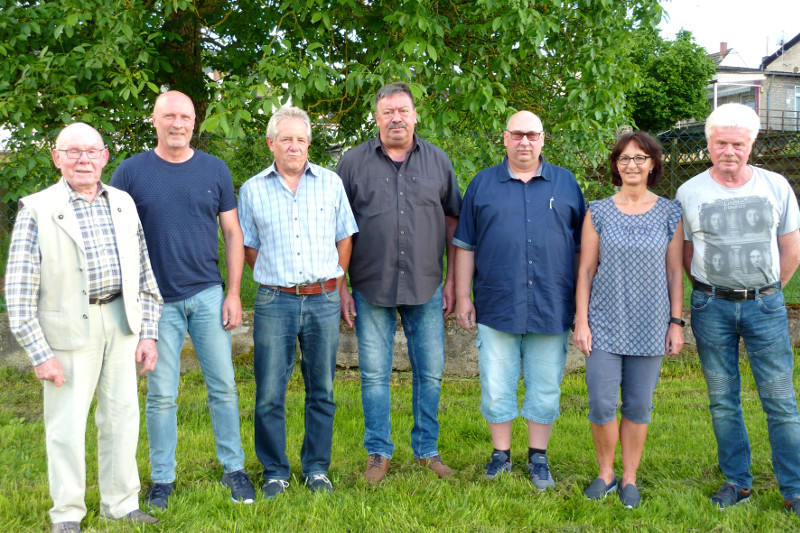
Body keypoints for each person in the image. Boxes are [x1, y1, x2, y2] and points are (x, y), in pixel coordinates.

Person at [6, 123, 163, 532]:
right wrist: (40, 355)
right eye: (72, 151)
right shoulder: (36, 209)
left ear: (105, 157)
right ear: (56, 157)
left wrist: (148, 331)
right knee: (66, 427)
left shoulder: (123, 202)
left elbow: (144, 273)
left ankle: (122, 502)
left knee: (123, 417)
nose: (83, 160)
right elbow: (19, 294)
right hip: (69, 330)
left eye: (91, 152)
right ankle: (67, 514)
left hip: (121, 321)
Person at [110, 91, 255, 509]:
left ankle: (234, 468)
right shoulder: (131, 172)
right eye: (169, 115)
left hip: (208, 295)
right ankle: (162, 479)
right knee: (161, 394)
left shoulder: (214, 169)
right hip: (155, 303)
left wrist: (232, 293)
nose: (178, 123)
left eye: (185, 117)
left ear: (195, 122)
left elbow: (232, 235)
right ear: (154, 120)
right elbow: (116, 235)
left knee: (224, 387)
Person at [676, 103, 800, 518]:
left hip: (765, 305)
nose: (729, 150)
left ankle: (794, 489)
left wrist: (765, 293)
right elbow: (688, 254)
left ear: (752, 144)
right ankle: (737, 482)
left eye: (738, 143)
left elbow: (791, 249)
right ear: (709, 144)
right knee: (722, 399)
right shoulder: (689, 192)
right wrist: (713, 292)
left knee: (780, 400)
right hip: (711, 307)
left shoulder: (776, 185)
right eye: (721, 143)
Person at [336, 81, 462, 481]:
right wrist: (340, 286)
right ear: (376, 117)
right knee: (374, 374)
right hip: (370, 285)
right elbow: (337, 229)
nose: (396, 118)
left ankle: (427, 450)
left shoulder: (438, 161)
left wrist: (455, 282)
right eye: (388, 112)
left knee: (431, 371)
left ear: (414, 115)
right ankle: (378, 452)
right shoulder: (352, 164)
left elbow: (453, 223)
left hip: (426, 285)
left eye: (402, 111)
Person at [453, 111, 585, 490]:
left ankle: (538, 457)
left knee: (545, 386)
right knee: (496, 385)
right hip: (497, 303)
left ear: (543, 138)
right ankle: (501, 454)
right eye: (517, 135)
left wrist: (581, 305)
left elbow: (582, 251)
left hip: (552, 303)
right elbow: (465, 244)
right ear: (505, 138)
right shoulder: (482, 184)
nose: (524, 142)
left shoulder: (566, 183)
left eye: (532, 135)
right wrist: (464, 296)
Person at [238, 106, 357, 498]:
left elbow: (345, 238)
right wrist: (278, 277)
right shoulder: (253, 189)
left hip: (322, 298)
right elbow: (250, 248)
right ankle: (274, 471)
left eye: (301, 139)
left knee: (321, 388)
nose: (294, 146)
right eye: (286, 139)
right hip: (275, 301)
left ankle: (316, 468)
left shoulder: (330, 183)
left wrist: (335, 279)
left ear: (309, 144)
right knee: (270, 390)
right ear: (271, 143)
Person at [573, 132, 684, 508]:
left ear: (653, 163)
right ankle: (605, 474)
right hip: (604, 322)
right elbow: (585, 270)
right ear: (615, 166)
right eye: (624, 159)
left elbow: (674, 274)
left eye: (640, 158)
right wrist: (582, 321)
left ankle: (629, 478)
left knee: (638, 405)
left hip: (651, 323)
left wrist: (675, 322)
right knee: (602, 403)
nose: (632, 165)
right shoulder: (598, 210)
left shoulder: (670, 212)